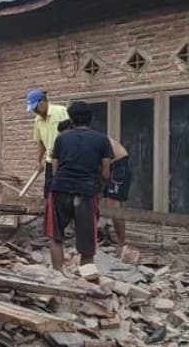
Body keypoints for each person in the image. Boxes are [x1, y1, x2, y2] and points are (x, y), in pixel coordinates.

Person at [47, 102, 113, 271]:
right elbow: (106, 174)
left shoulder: (61, 139)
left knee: (56, 236)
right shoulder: (102, 140)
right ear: (91, 118)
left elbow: (54, 170)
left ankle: (57, 275)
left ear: (71, 119)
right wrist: (99, 189)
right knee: (87, 243)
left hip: (60, 189)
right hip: (86, 191)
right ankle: (87, 279)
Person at [57, 120, 131, 250]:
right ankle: (93, 237)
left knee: (113, 204)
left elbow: (101, 167)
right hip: (104, 168)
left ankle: (121, 244)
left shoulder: (88, 137)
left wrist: (100, 183)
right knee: (92, 200)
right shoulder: (77, 140)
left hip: (118, 165)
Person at [27, 89, 69, 198]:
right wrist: (38, 160)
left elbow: (73, 132)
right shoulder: (37, 120)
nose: (34, 111)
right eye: (33, 109)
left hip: (65, 161)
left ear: (42, 101)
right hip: (50, 161)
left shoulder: (61, 111)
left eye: (35, 107)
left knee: (64, 194)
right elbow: (41, 142)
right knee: (49, 194)